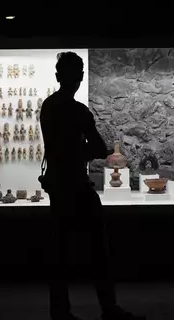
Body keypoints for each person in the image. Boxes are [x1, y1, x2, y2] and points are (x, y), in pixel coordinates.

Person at [39, 52, 145, 320]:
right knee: (99, 250)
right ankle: (108, 308)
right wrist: (83, 151)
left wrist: (73, 150)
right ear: (80, 76)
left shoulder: (48, 107)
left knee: (59, 253)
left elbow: (55, 148)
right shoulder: (79, 112)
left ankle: (60, 312)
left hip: (58, 186)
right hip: (76, 184)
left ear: (57, 76)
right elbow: (97, 147)